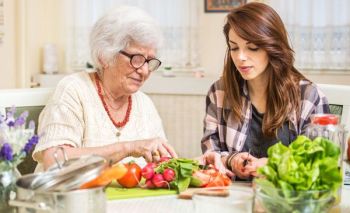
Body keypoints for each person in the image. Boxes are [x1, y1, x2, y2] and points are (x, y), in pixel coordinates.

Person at [33, 6, 177, 171]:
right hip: (72, 196)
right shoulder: (74, 90)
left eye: (150, 61)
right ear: (104, 56)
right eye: (136, 58)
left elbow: (163, 167)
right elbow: (54, 160)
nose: (144, 71)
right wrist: (128, 148)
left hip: (128, 197)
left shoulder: (145, 104)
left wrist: (198, 165)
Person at [200, 2, 330, 180]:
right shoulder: (219, 92)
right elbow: (210, 152)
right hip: (233, 197)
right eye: (234, 47)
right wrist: (231, 160)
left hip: (287, 200)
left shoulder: (309, 96)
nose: (240, 57)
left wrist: (275, 165)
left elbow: (320, 161)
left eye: (252, 48)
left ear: (272, 46)